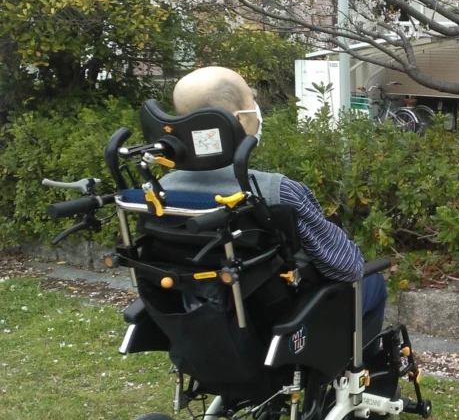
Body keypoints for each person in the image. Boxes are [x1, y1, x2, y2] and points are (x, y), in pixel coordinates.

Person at [159, 66, 388, 343]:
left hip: (202, 312)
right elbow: (346, 267)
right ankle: (358, 360)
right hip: (283, 319)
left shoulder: (161, 191)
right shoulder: (276, 191)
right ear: (237, 120)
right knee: (372, 281)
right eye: (252, 100)